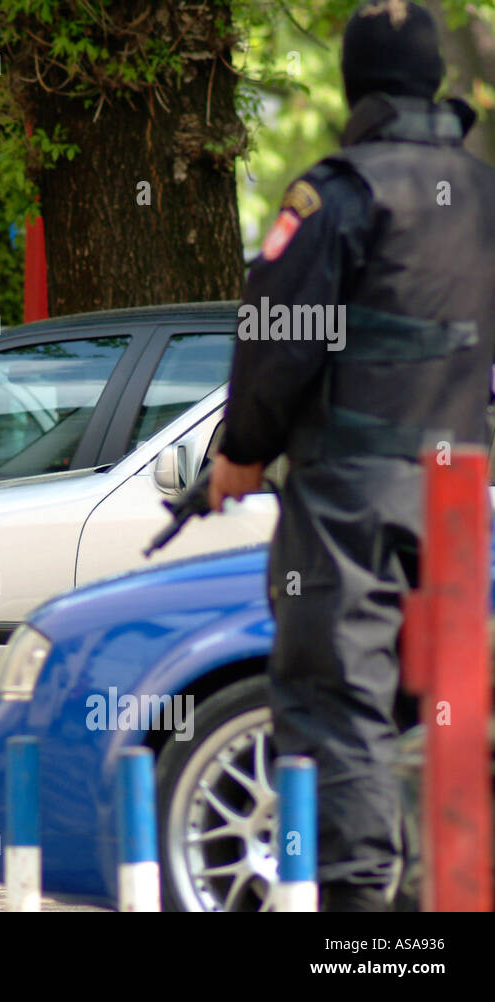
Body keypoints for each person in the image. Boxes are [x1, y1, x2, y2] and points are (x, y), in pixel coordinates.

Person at [209, 1, 495, 911]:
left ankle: (368, 934)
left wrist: (243, 452)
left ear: (354, 83)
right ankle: (447, 900)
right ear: (436, 79)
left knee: (341, 701)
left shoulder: (338, 191)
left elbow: (276, 342)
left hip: (355, 495)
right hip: (461, 491)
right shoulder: (483, 195)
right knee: (446, 701)